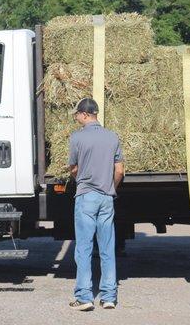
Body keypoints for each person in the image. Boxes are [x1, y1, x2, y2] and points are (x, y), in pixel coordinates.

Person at [67, 98, 125, 311]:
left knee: (83, 248)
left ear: (84, 114)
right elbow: (119, 170)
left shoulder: (77, 138)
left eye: (76, 115)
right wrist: (111, 188)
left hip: (86, 196)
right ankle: (109, 297)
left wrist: (81, 178)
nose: (76, 118)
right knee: (107, 247)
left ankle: (85, 297)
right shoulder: (112, 137)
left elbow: (73, 168)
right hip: (106, 197)